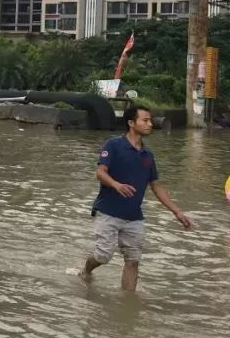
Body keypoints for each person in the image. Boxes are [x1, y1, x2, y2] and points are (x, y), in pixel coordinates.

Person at [78, 105, 192, 291]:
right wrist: (116, 184)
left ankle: (128, 304)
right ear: (131, 123)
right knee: (103, 256)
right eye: (145, 120)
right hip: (108, 212)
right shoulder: (113, 145)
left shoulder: (148, 156)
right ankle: (86, 270)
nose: (150, 124)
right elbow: (100, 172)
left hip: (134, 217)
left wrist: (177, 211)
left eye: (150, 120)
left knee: (133, 261)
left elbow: (156, 186)